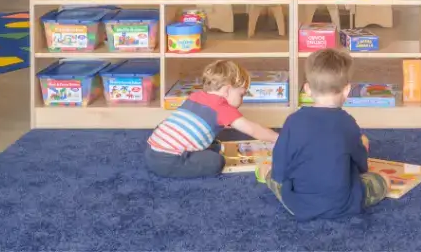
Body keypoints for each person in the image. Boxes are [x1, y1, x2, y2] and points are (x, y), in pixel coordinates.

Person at [258, 48, 387, 220]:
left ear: (307, 89)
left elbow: (280, 166)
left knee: (272, 174)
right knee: (383, 180)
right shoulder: (347, 122)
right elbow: (362, 166)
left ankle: (264, 172)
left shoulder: (293, 121)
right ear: (347, 90)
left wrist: (274, 175)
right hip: (343, 204)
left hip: (298, 205)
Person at [145, 60, 279, 178]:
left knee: (213, 143)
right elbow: (253, 130)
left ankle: (196, 152)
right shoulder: (222, 107)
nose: (242, 101)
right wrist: (279, 138)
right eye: (241, 95)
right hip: (169, 162)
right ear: (227, 90)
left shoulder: (195, 96)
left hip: (151, 152)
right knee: (216, 162)